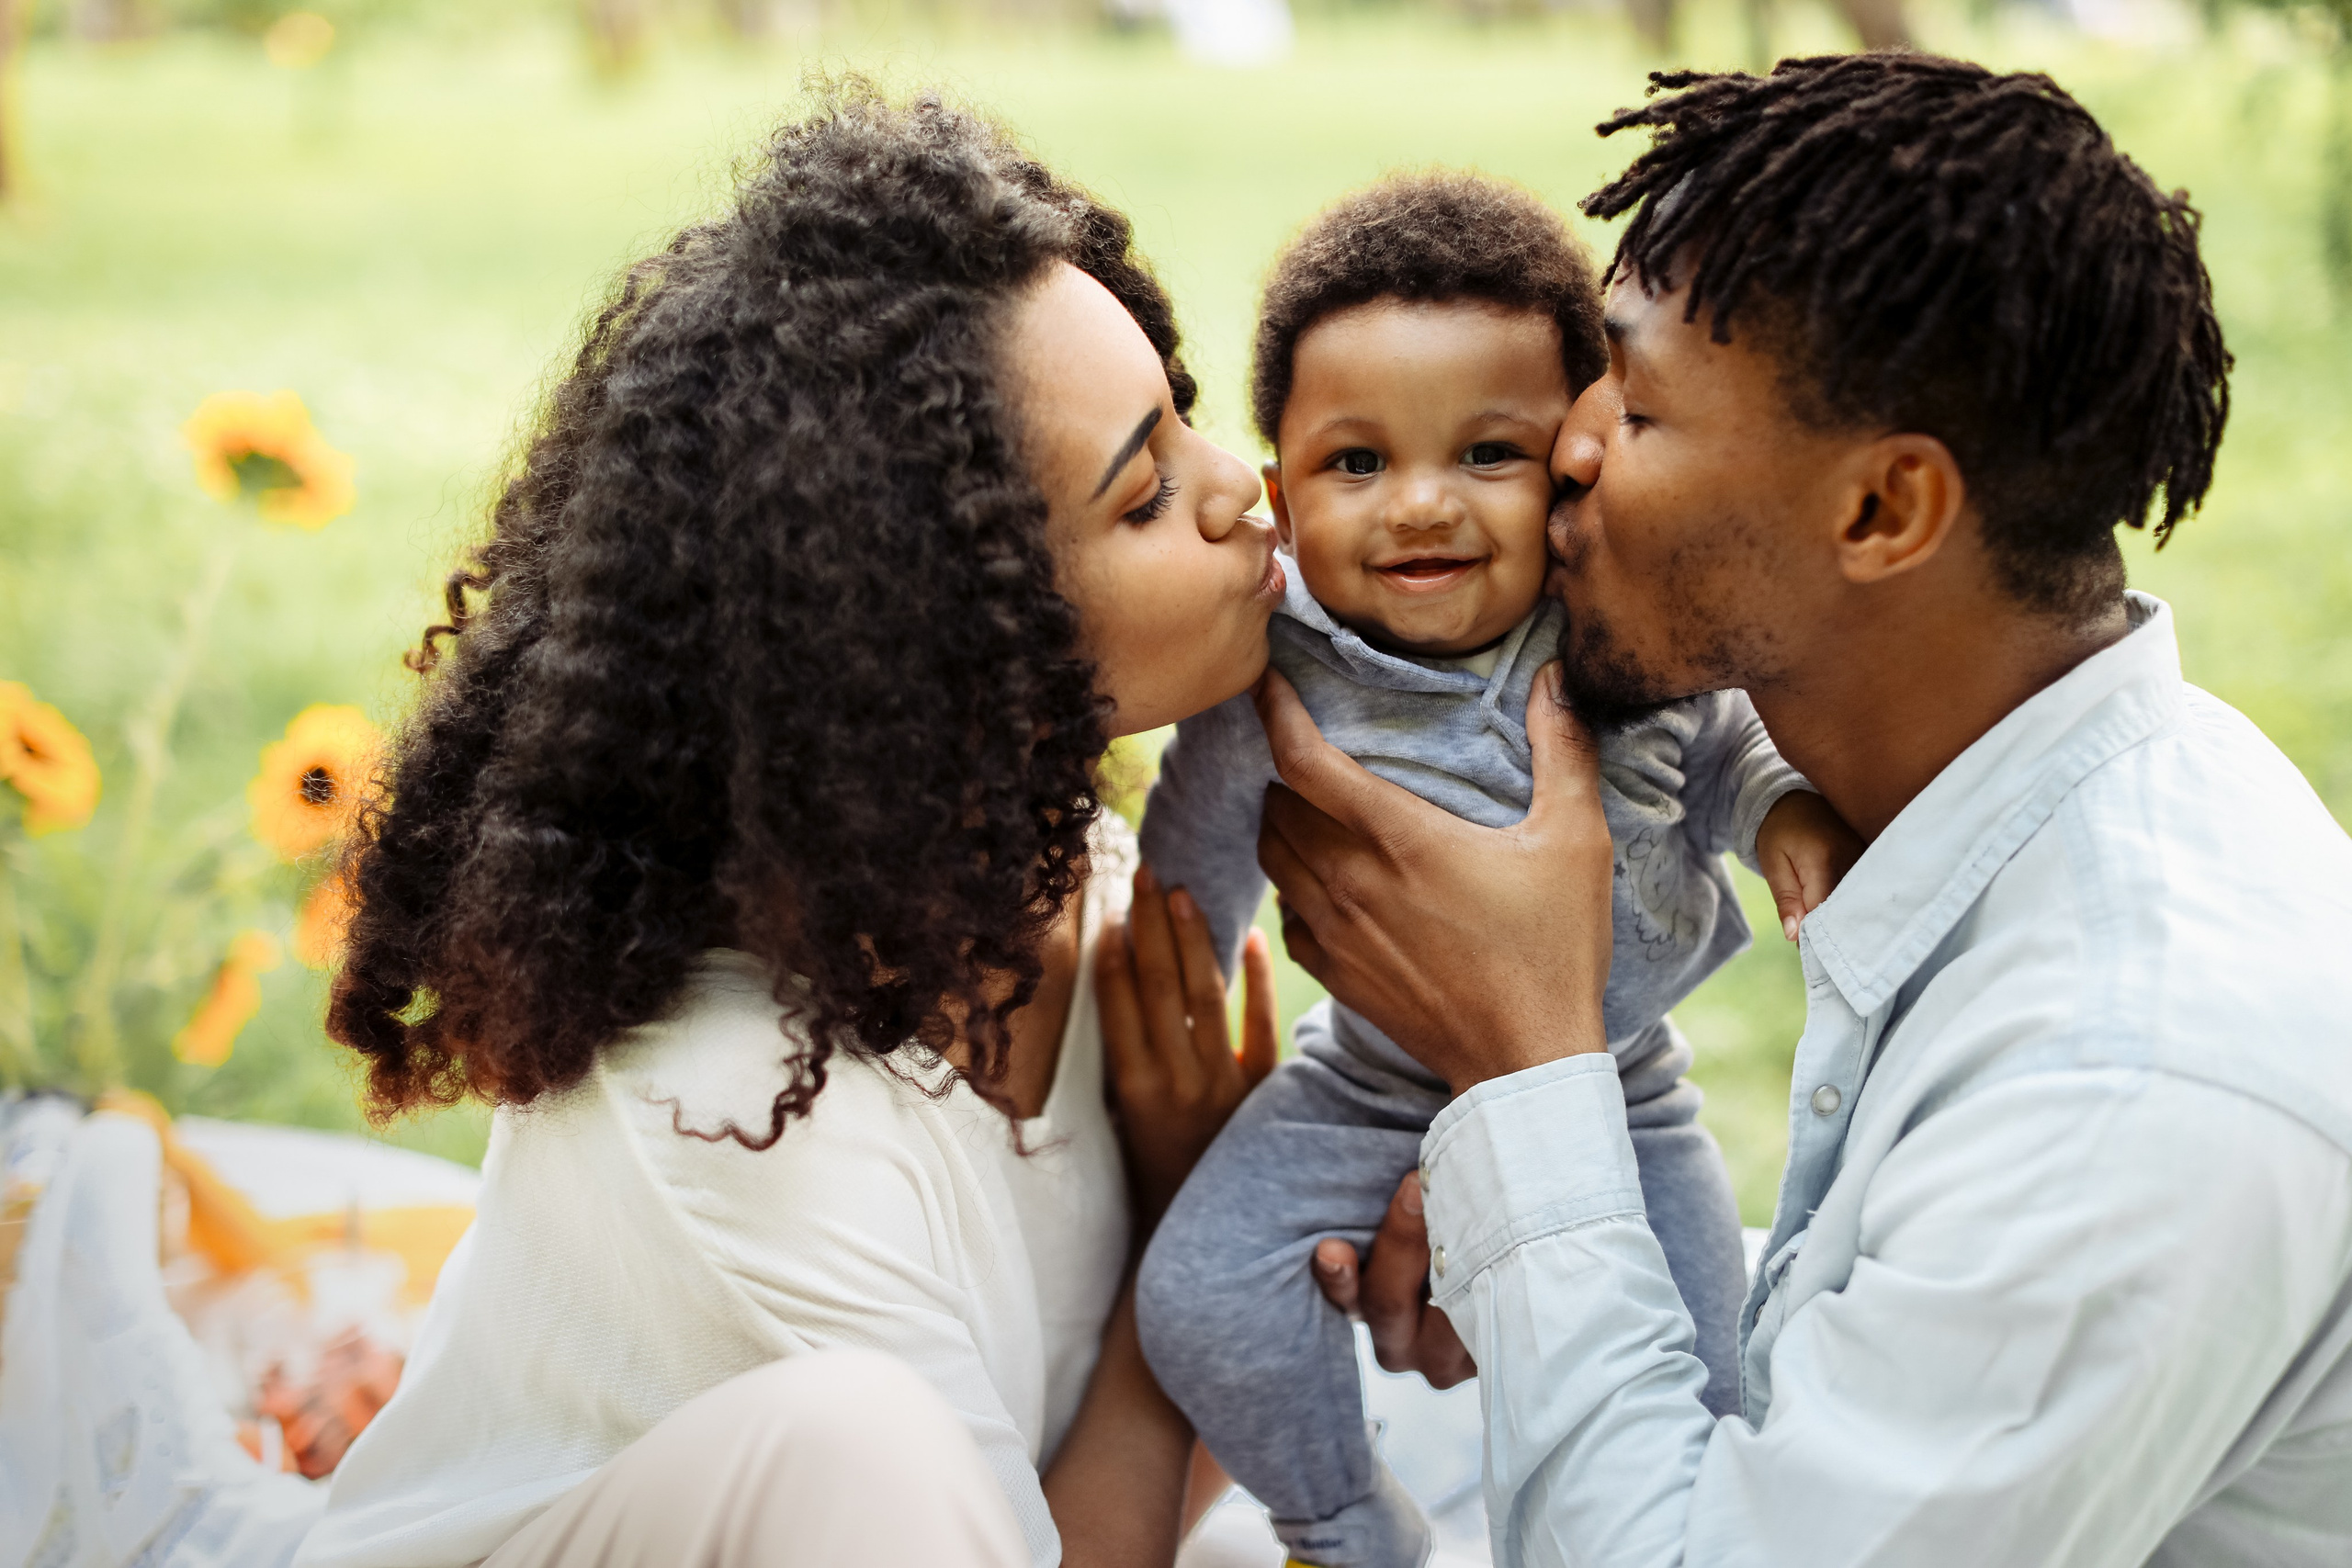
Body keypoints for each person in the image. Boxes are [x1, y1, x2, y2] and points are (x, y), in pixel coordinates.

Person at [1261, 54, 2352, 1567]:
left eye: (1634, 404)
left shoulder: (2135, 1085)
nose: (1564, 441)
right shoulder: (2007, 787)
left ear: (1881, 512)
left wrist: (1527, 1062)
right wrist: (1530, 1239)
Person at [294, 87, 1294, 1568]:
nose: (1241, 490)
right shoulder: (735, 1104)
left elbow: (1094, 1473)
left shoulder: (1064, 876)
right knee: (865, 1444)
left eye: (1185, 420)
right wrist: (1195, 1263)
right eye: (1145, 496)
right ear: (942, 642)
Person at [1129, 172, 1857, 1568]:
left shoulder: (1606, 633)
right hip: (1362, 1086)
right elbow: (1199, 844)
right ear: (1279, 493)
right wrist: (1177, 971)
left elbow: (1724, 739)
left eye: (1487, 455)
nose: (1419, 507)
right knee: (1203, 1296)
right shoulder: (1272, 665)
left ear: (1577, 462)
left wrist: (1779, 813)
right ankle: (1344, 1525)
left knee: (1712, 1366)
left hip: (1616, 1092)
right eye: (1357, 464)